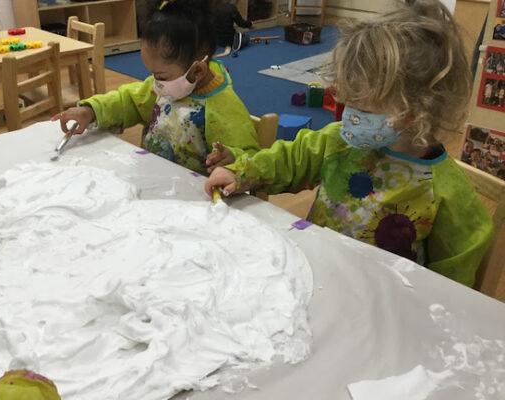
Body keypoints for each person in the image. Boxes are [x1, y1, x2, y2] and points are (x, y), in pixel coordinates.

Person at [205, 0, 494, 286]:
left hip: (381, 307)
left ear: (417, 112)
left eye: (363, 109)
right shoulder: (339, 141)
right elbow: (290, 160)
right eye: (347, 101)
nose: (347, 114)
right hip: (316, 276)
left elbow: (452, 290)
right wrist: (242, 172)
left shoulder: (449, 196)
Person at [53, 0, 260, 175]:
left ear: (198, 71)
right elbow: (130, 100)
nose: (155, 82)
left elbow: (251, 158)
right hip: (152, 178)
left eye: (160, 75)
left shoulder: (224, 107)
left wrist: (232, 158)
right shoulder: (167, 85)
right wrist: (91, 110)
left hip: (194, 203)